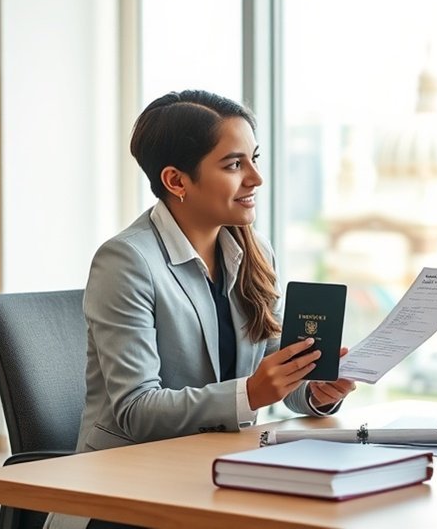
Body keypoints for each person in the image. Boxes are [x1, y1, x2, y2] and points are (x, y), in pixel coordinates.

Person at [46, 90, 356, 529]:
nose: (256, 178)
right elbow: (136, 410)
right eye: (234, 165)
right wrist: (251, 394)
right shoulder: (126, 261)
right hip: (123, 493)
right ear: (177, 181)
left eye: (254, 159)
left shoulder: (253, 250)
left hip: (216, 474)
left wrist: (311, 390)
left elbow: (270, 363)